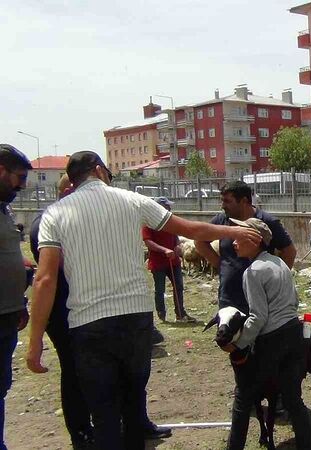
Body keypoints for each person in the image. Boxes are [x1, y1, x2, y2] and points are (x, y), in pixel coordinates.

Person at [26, 151, 262, 450]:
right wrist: (237, 229)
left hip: (88, 326)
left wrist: (35, 343)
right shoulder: (131, 200)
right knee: (132, 406)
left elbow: (45, 279)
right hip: (135, 321)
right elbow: (189, 229)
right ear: (99, 171)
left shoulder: (54, 214)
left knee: (104, 413)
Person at [222, 217, 311, 450]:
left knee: (243, 399)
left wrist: (238, 344)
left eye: (240, 236)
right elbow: (295, 300)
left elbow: (258, 317)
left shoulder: (253, 272)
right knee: (293, 399)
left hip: (272, 340)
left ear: (256, 240)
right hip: (294, 333)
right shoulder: (280, 263)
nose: (234, 241)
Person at [29, 175, 95, 448]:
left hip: (86, 308)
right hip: (62, 313)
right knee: (74, 373)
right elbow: (48, 277)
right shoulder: (48, 224)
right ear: (69, 191)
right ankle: (80, 433)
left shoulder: (74, 221)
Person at [195, 181, 295, 313]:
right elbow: (200, 242)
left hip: (261, 298)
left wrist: (277, 280)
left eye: (227, 201)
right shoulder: (222, 220)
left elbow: (289, 251)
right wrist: (220, 265)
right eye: (222, 201)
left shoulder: (266, 222)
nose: (222, 206)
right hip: (229, 297)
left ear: (244, 201)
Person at [0, 144, 31, 450]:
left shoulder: (4, 209)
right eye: (19, 178)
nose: (22, 186)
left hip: (8, 315)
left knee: (1, 387)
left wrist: (19, 298)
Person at [143, 197, 195, 323]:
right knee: (160, 289)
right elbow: (148, 242)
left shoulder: (170, 221)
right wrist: (164, 250)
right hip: (158, 262)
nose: (170, 208)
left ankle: (180, 313)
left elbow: (175, 235)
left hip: (173, 261)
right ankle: (161, 313)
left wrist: (177, 245)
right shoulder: (148, 223)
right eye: (167, 206)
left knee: (179, 286)